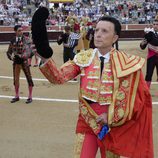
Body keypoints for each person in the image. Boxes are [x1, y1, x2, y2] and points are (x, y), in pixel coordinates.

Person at [32, 7, 153, 157]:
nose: (98, 35)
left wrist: (110, 116)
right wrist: (44, 57)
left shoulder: (126, 63)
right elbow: (58, 77)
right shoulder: (83, 58)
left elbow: (136, 98)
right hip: (86, 121)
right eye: (96, 30)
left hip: (111, 125)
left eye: (104, 31)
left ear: (115, 38)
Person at [6, 25, 34, 104]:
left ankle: (30, 96)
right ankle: (17, 95)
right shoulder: (12, 41)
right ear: (15, 31)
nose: (21, 32)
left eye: (21, 30)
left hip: (24, 62)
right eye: (19, 30)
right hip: (16, 62)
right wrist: (12, 58)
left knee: (29, 78)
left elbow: (31, 51)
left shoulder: (27, 40)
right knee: (16, 79)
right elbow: (8, 52)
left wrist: (22, 56)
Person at [140, 18, 158, 88]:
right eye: (154, 24)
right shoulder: (149, 35)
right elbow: (143, 47)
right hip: (151, 57)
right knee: (149, 73)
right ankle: (146, 90)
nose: (155, 26)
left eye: (157, 24)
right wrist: (142, 44)